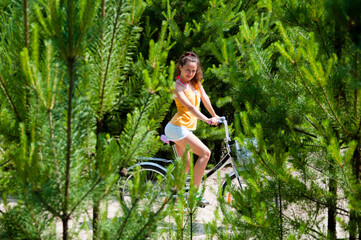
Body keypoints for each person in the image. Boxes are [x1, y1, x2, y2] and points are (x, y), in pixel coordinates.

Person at [164, 51, 220, 205]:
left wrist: (214, 115)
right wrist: (206, 119)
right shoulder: (177, 86)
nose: (190, 73)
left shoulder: (195, 83)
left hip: (183, 128)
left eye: (193, 70)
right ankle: (193, 194)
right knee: (205, 153)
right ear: (180, 68)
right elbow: (189, 107)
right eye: (187, 69)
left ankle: (172, 198)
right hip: (177, 127)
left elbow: (205, 97)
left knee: (185, 166)